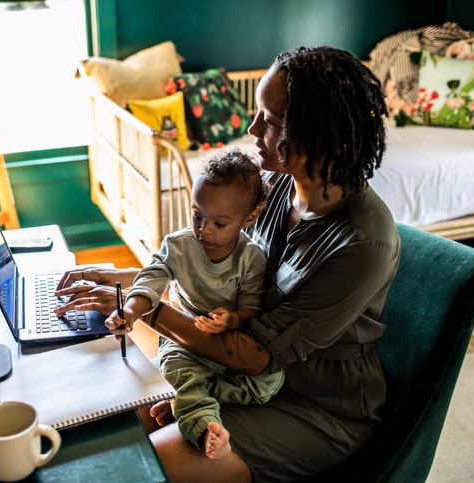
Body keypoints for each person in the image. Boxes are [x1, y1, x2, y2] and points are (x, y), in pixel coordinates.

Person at [55, 45, 401, 482]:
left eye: (271, 122)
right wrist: (135, 282)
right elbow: (227, 272)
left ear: (320, 134)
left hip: (316, 408)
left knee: (140, 465)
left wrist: (153, 310)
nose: (253, 128)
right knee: (105, 418)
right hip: (235, 375)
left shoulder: (361, 244)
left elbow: (257, 355)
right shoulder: (274, 188)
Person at [109, 147, 284, 460]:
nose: (204, 230)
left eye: (219, 224)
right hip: (185, 342)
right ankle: (205, 426)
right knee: (181, 370)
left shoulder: (252, 258)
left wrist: (231, 320)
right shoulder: (178, 246)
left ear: (249, 218)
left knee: (270, 382)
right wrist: (132, 311)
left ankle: (184, 398)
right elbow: (151, 278)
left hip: (228, 341)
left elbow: (251, 309)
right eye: (197, 216)